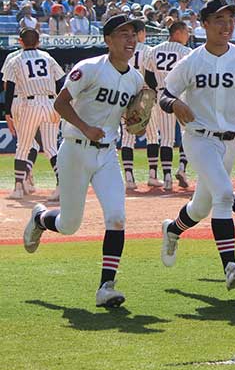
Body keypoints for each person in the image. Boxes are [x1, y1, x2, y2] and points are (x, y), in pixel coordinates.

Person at [23, 15, 145, 307]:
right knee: (68, 224)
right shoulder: (88, 68)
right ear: (108, 40)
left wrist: (134, 122)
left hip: (107, 153)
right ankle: (40, 218)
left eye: (133, 34)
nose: (130, 40)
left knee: (117, 218)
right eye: (122, 34)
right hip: (75, 150)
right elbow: (60, 103)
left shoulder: (136, 79)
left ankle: (106, 287)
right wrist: (85, 126)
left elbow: (132, 118)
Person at [158, 0, 235, 291]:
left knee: (201, 205)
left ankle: (172, 229)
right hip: (199, 138)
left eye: (231, 19)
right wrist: (174, 105)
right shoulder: (192, 61)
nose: (227, 25)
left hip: (232, 140)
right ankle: (230, 267)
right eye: (219, 19)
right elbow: (164, 94)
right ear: (204, 24)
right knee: (222, 193)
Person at [3, 28, 64, 200]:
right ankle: (62, 185)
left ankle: (18, 188)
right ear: (38, 41)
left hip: (29, 104)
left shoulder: (15, 60)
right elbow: (62, 82)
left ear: (20, 41)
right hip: (51, 103)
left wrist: (8, 113)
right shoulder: (48, 57)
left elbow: (9, 90)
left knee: (23, 146)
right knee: (52, 147)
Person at [142, 22, 192, 191]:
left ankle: (168, 177)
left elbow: (148, 77)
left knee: (167, 139)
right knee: (188, 134)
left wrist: (157, 92)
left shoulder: (153, 50)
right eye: (186, 32)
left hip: (163, 95)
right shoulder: (187, 52)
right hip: (182, 96)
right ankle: (183, 168)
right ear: (177, 33)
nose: (188, 35)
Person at [120, 22, 152, 190]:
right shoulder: (148, 50)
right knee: (153, 135)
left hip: (124, 94)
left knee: (127, 138)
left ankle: (129, 177)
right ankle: (153, 174)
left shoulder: (123, 48)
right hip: (143, 96)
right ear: (140, 33)